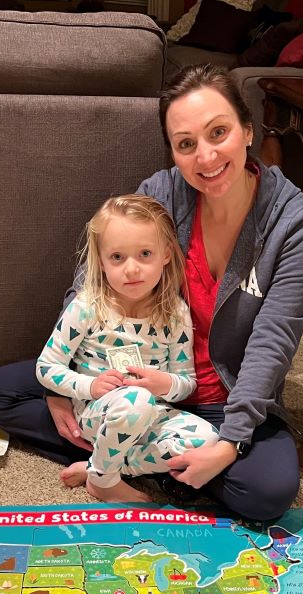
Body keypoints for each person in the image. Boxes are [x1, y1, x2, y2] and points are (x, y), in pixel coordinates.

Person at [0, 64, 303, 521]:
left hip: (223, 398)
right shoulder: (161, 194)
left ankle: (115, 462)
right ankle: (131, 463)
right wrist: (60, 387)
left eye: (218, 132)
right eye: (186, 144)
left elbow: (274, 339)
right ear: (174, 153)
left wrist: (230, 442)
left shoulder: (294, 221)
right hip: (122, 379)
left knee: (266, 494)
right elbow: (91, 285)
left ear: (247, 131)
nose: (205, 157)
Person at [37, 194, 219, 503]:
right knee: (137, 401)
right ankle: (106, 481)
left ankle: (99, 470)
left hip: (154, 414)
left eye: (144, 254)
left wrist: (167, 384)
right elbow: (45, 367)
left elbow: (186, 382)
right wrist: (89, 386)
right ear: (102, 260)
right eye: (118, 258)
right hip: (98, 413)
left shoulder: (175, 313)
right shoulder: (87, 307)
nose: (131, 269)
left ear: (165, 254)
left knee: (208, 441)